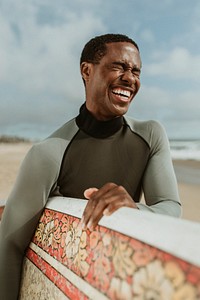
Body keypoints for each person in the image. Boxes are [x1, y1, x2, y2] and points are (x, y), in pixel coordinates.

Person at [0, 33, 181, 299]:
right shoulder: (49, 153)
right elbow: (9, 244)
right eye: (119, 66)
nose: (130, 78)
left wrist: (134, 209)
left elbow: (170, 207)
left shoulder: (150, 135)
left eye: (135, 71)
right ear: (87, 70)